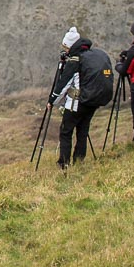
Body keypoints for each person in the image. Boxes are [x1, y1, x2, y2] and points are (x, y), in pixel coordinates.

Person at [49, 27, 114, 169]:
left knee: (66, 132)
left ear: (70, 46)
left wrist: (51, 101)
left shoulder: (74, 61)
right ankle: (79, 162)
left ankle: (64, 164)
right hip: (91, 102)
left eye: (65, 47)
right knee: (82, 132)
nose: (65, 50)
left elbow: (64, 85)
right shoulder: (89, 56)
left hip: (76, 103)